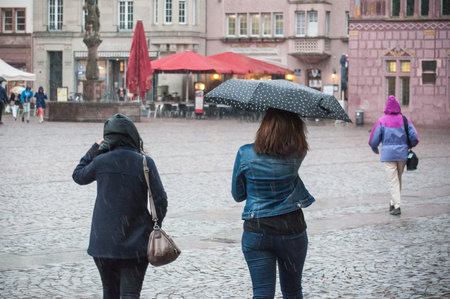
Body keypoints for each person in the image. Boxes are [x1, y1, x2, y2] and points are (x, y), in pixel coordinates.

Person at [72, 113, 168, 298]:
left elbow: (78, 176)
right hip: (136, 241)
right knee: (130, 294)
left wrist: (95, 147)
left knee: (110, 293)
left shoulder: (100, 161)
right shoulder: (144, 163)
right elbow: (160, 200)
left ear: (108, 138)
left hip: (104, 242)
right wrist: (153, 225)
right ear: (133, 136)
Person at [231, 108, 315, 299]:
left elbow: (238, 195)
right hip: (291, 229)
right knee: (293, 291)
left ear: (264, 126)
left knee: (261, 293)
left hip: (257, 229)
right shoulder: (298, 154)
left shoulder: (245, 153)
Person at [369, 95, 419, 215]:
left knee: (393, 181)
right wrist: (410, 145)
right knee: (398, 179)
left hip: (388, 156)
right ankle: (392, 202)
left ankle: (397, 206)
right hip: (402, 155)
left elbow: (373, 139)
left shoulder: (382, 120)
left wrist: (375, 148)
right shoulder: (405, 119)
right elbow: (414, 137)